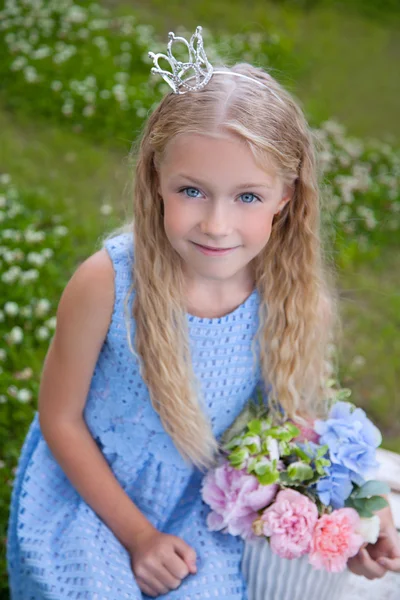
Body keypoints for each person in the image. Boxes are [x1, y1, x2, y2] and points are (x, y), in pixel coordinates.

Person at [6, 25, 399, 600]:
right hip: (89, 494)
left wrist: (357, 523)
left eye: (247, 197)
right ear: (156, 181)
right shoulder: (108, 283)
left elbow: (289, 424)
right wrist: (139, 537)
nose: (216, 224)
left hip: (201, 506)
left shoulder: (288, 297)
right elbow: (59, 418)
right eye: (192, 191)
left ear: (285, 200)